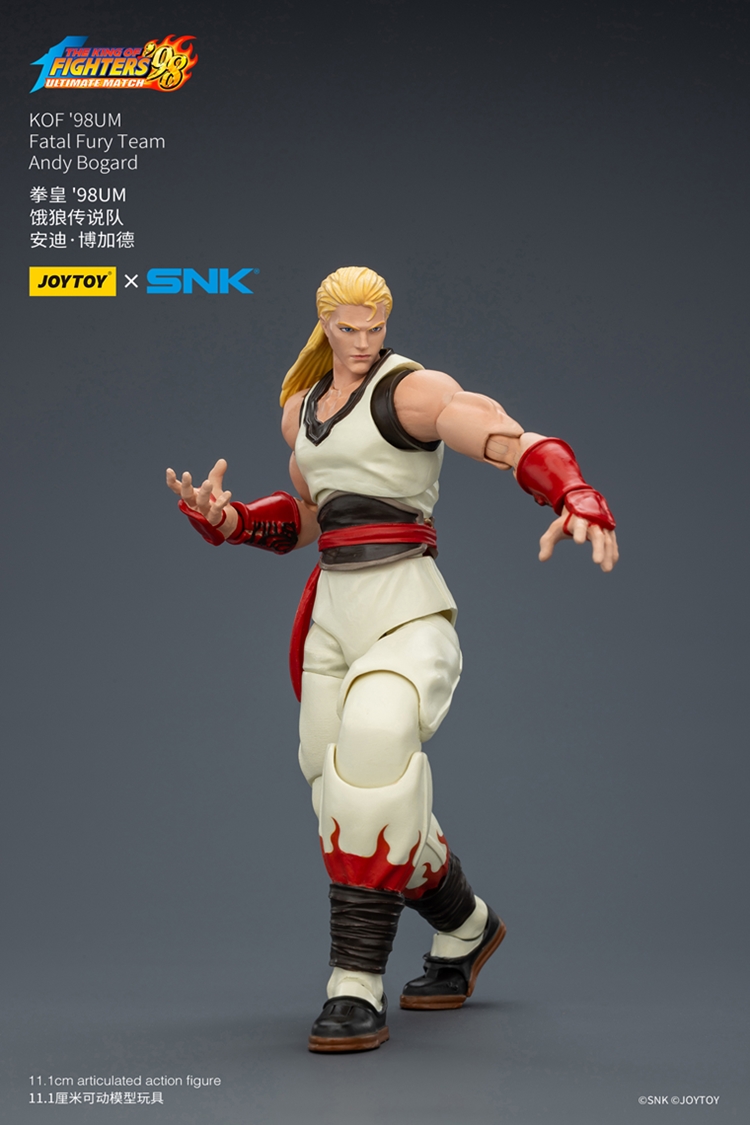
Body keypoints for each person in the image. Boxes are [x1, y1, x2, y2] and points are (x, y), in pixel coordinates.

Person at [166, 266, 618, 1053]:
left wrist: (569, 489)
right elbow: (314, 516)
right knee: (340, 795)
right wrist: (232, 521)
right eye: (349, 327)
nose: (364, 340)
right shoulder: (301, 412)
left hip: (404, 605)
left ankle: (354, 981)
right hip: (333, 618)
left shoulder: (408, 391)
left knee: (373, 756)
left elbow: (497, 431)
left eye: (375, 326)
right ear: (325, 324)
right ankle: (467, 925)